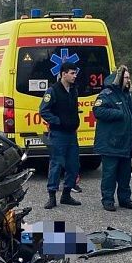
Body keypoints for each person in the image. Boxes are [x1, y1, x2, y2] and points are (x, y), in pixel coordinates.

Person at [93, 65, 132, 211]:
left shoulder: (128, 95)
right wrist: (119, 114)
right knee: (110, 174)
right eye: (126, 77)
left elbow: (131, 112)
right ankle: (107, 200)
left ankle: (125, 199)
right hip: (111, 143)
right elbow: (98, 110)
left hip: (126, 142)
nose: (128, 80)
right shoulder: (106, 94)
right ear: (119, 79)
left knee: (125, 174)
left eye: (129, 77)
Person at [39, 62, 82, 209]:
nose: (75, 76)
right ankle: (52, 196)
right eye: (72, 73)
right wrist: (58, 121)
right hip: (58, 134)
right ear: (64, 74)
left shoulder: (74, 90)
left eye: (75, 73)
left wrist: (75, 122)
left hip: (71, 134)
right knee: (56, 165)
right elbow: (44, 111)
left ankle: (66, 195)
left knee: (73, 165)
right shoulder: (53, 91)